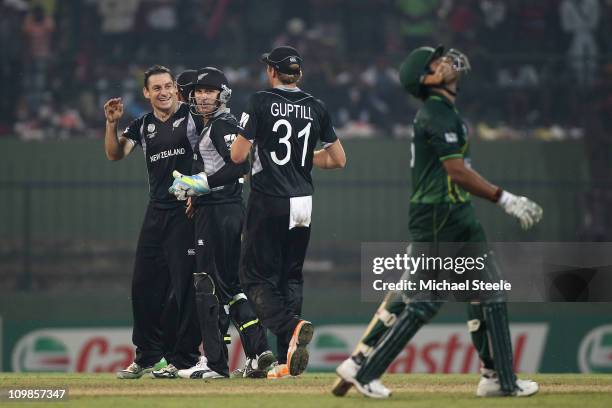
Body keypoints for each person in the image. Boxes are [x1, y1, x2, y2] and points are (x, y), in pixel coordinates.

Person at [333, 46, 543, 398]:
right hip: (438, 214)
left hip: (457, 213)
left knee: (491, 292)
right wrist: (505, 199)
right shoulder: (436, 113)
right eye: (436, 62)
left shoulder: (445, 111)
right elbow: (457, 171)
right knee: (426, 300)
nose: (446, 62)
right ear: (427, 79)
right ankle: (366, 373)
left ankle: (500, 380)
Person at [230, 46, 346, 379]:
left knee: (253, 278)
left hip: (270, 199)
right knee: (290, 277)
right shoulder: (316, 107)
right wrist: (303, 159)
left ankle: (291, 326)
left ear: (272, 72)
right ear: (299, 74)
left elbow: (239, 155)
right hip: (303, 202)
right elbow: (338, 159)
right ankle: (286, 358)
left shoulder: (260, 101)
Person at [168, 67, 275, 379]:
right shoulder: (214, 125)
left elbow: (238, 165)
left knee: (207, 286)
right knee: (231, 289)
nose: (202, 96)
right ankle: (258, 352)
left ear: (223, 95)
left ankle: (215, 364)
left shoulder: (222, 125)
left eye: (209, 91)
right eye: (199, 91)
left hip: (219, 213)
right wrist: (195, 191)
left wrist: (198, 185)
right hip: (224, 211)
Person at [103, 65, 201, 379]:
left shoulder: (193, 118)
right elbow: (115, 155)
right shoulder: (142, 125)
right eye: (156, 88)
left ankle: (183, 359)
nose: (163, 92)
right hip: (156, 211)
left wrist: (196, 192)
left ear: (176, 88)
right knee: (143, 286)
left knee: (183, 289)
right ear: (146, 93)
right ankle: (146, 356)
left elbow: (212, 156)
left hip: (185, 211)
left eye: (168, 86)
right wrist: (111, 124)